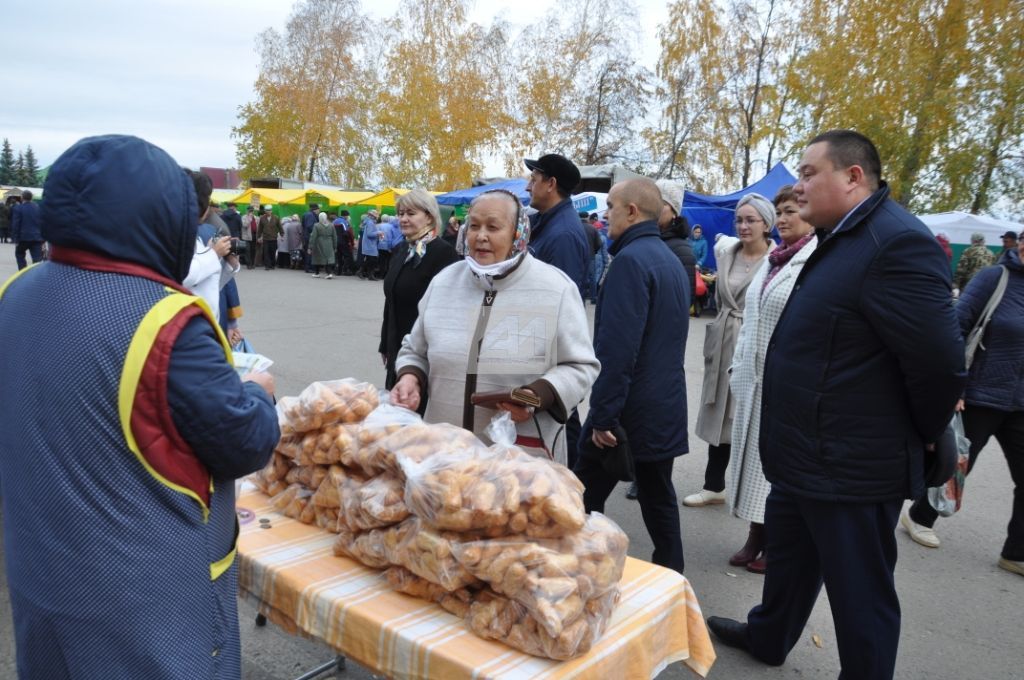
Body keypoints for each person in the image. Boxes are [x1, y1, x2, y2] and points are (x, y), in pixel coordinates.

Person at [0, 134, 279, 678]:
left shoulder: (19, 291)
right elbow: (241, 442)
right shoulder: (167, 320)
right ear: (165, 219)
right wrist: (258, 395)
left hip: (44, 572)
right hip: (147, 603)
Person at [706, 130, 965, 680]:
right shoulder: (841, 236)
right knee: (791, 561)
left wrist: (922, 432)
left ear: (853, 178)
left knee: (860, 593)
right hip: (804, 449)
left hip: (853, 463)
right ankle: (769, 635)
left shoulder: (895, 242)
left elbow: (939, 364)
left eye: (807, 174)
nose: (796, 187)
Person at [390, 189, 599, 464]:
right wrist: (410, 377)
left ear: (518, 233)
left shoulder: (555, 289)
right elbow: (415, 349)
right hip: (443, 455)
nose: (480, 236)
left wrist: (539, 396)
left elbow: (580, 366)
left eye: (493, 227)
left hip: (519, 460)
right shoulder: (444, 283)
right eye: (473, 226)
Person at [574, 178, 690, 573]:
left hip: (627, 410)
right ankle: (672, 576)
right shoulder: (667, 258)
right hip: (662, 404)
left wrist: (604, 415)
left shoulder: (630, 262)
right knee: (658, 496)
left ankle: (582, 573)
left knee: (581, 496)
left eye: (610, 206)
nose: (604, 215)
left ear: (631, 211)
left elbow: (618, 349)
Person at [901, 230, 1024, 577]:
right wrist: (953, 386)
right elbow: (956, 327)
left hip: (1021, 401)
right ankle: (920, 516)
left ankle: (1017, 551)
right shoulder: (995, 278)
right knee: (957, 462)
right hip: (981, 392)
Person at [724, 185, 817, 574]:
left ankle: (776, 545)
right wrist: (738, 368)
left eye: (790, 211)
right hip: (755, 378)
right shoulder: (776, 259)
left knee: (772, 470)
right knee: (750, 464)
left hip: (782, 383)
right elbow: (753, 318)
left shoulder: (812, 259)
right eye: (779, 212)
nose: (782, 220)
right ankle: (756, 536)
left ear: (810, 214)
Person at [683, 193, 775, 508]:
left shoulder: (776, 261)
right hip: (723, 339)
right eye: (739, 219)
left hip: (754, 344)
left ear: (767, 224)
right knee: (717, 412)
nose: (744, 226)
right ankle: (714, 485)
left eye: (751, 220)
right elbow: (722, 299)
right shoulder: (726, 253)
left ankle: (752, 493)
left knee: (745, 417)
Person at [524, 153, 590, 468]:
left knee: (562, 422)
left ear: (551, 184)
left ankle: (572, 490)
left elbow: (560, 307)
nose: (528, 186)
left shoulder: (564, 234)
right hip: (534, 345)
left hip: (546, 354)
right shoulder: (545, 223)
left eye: (533, 180)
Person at [380, 188, 459, 393]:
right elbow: (391, 301)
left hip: (424, 356)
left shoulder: (444, 254)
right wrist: (385, 344)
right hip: (397, 347)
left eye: (411, 213)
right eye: (401, 213)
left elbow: (447, 313)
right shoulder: (402, 250)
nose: (403, 219)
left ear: (430, 217)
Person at [182, 169, 240, 323]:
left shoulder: (204, 232)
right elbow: (183, 277)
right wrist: (213, 254)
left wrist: (229, 265)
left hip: (206, 325)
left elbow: (210, 285)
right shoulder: (172, 236)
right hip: (189, 328)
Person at [11, 190, 44, 270]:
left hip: (23, 238)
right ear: (31, 198)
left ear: (22, 198)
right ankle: (37, 275)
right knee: (37, 259)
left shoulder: (18, 208)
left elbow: (16, 224)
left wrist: (16, 239)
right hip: (37, 237)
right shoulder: (38, 208)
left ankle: (22, 272)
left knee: (19, 254)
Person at [309, 211, 337, 278]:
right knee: (328, 258)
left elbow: (313, 236)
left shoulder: (316, 225)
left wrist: (310, 246)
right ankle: (329, 273)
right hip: (329, 243)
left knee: (317, 258)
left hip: (319, 243)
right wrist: (335, 246)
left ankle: (317, 273)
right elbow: (335, 236)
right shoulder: (331, 225)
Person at [257, 205, 283, 270]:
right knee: (266, 252)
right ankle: (267, 266)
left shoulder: (276, 218)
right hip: (265, 238)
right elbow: (260, 228)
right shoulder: (262, 218)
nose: (268, 212)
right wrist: (259, 237)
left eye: (269, 210)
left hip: (273, 238)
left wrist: (282, 234)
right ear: (265, 211)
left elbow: (280, 227)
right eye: (267, 210)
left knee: (272, 252)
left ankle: (272, 264)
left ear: (271, 211)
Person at [359, 209, 380, 279]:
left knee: (369, 260)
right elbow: (369, 234)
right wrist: (378, 233)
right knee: (371, 260)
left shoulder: (368, 222)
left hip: (369, 244)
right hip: (370, 244)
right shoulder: (370, 223)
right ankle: (367, 274)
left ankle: (366, 273)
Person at [334, 210, 356, 275]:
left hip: (336, 241)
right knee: (347, 256)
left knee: (338, 256)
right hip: (343, 242)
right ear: (346, 216)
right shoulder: (344, 222)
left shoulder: (335, 221)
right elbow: (346, 232)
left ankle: (338, 271)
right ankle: (345, 270)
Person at [302, 203, 319, 273]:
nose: (319, 211)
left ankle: (308, 267)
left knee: (308, 252)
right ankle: (309, 267)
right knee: (310, 252)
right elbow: (310, 226)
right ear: (315, 210)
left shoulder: (306, 214)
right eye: (318, 209)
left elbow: (303, 225)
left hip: (306, 236)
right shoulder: (311, 215)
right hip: (309, 236)